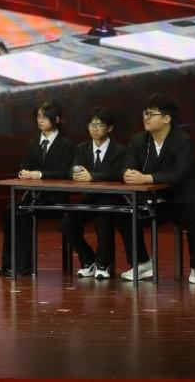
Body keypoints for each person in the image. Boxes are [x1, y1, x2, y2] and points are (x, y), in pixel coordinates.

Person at [121, 93, 195, 286]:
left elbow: (178, 174)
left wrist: (146, 178)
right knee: (123, 213)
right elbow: (126, 166)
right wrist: (127, 174)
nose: (146, 118)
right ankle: (142, 263)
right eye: (145, 113)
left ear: (167, 119)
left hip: (183, 199)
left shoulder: (183, 141)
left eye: (151, 114)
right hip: (155, 201)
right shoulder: (138, 140)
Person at [0, 99, 75, 277]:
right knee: (10, 211)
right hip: (33, 197)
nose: (40, 120)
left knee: (23, 213)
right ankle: (10, 263)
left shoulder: (66, 145)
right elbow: (24, 165)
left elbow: (65, 172)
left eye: (45, 117)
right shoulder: (32, 144)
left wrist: (40, 174)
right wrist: (23, 172)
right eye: (38, 116)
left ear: (57, 119)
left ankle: (24, 266)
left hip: (54, 200)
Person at [59, 106, 126, 280]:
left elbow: (118, 174)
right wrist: (75, 174)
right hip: (90, 199)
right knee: (67, 223)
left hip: (112, 199)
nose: (94, 129)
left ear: (110, 128)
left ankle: (103, 264)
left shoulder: (119, 150)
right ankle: (88, 260)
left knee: (104, 219)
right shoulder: (82, 148)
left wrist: (93, 176)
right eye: (91, 125)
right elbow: (72, 168)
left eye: (100, 125)